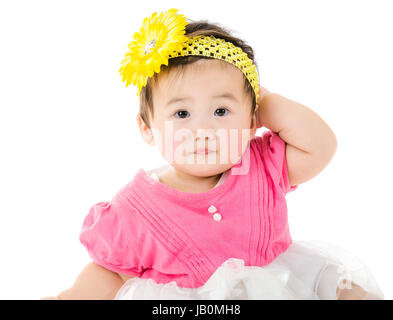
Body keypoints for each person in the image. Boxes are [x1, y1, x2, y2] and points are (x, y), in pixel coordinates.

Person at [41, 8, 384, 300]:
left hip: (280, 287)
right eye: (181, 114)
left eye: (221, 111)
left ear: (253, 122)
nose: (202, 130)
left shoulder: (261, 165)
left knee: (349, 289)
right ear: (147, 128)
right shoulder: (135, 208)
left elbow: (320, 145)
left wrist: (261, 99)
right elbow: (109, 271)